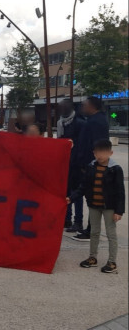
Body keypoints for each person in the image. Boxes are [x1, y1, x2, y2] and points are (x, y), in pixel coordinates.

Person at [69, 139, 125, 273]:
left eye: (103, 152)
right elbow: (83, 186)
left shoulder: (115, 169)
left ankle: (112, 262)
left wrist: (119, 211)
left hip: (109, 207)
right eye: (97, 152)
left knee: (111, 234)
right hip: (94, 205)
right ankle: (92, 257)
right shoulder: (91, 167)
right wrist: (71, 198)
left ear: (110, 153)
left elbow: (120, 191)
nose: (100, 155)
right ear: (94, 153)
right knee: (94, 232)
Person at [72, 96, 110, 241]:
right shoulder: (95, 120)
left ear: (92, 106)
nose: (82, 107)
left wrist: (90, 165)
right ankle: (90, 229)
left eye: (84, 105)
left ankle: (91, 230)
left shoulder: (96, 122)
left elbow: (97, 145)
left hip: (91, 165)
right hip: (89, 164)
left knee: (92, 198)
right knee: (90, 197)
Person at [57, 99, 86, 230]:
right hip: (64, 163)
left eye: (64, 107)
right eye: (60, 108)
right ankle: (66, 218)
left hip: (76, 164)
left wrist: (81, 164)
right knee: (65, 192)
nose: (61, 110)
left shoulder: (80, 123)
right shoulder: (60, 123)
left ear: (70, 107)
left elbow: (82, 145)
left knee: (76, 193)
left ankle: (78, 221)